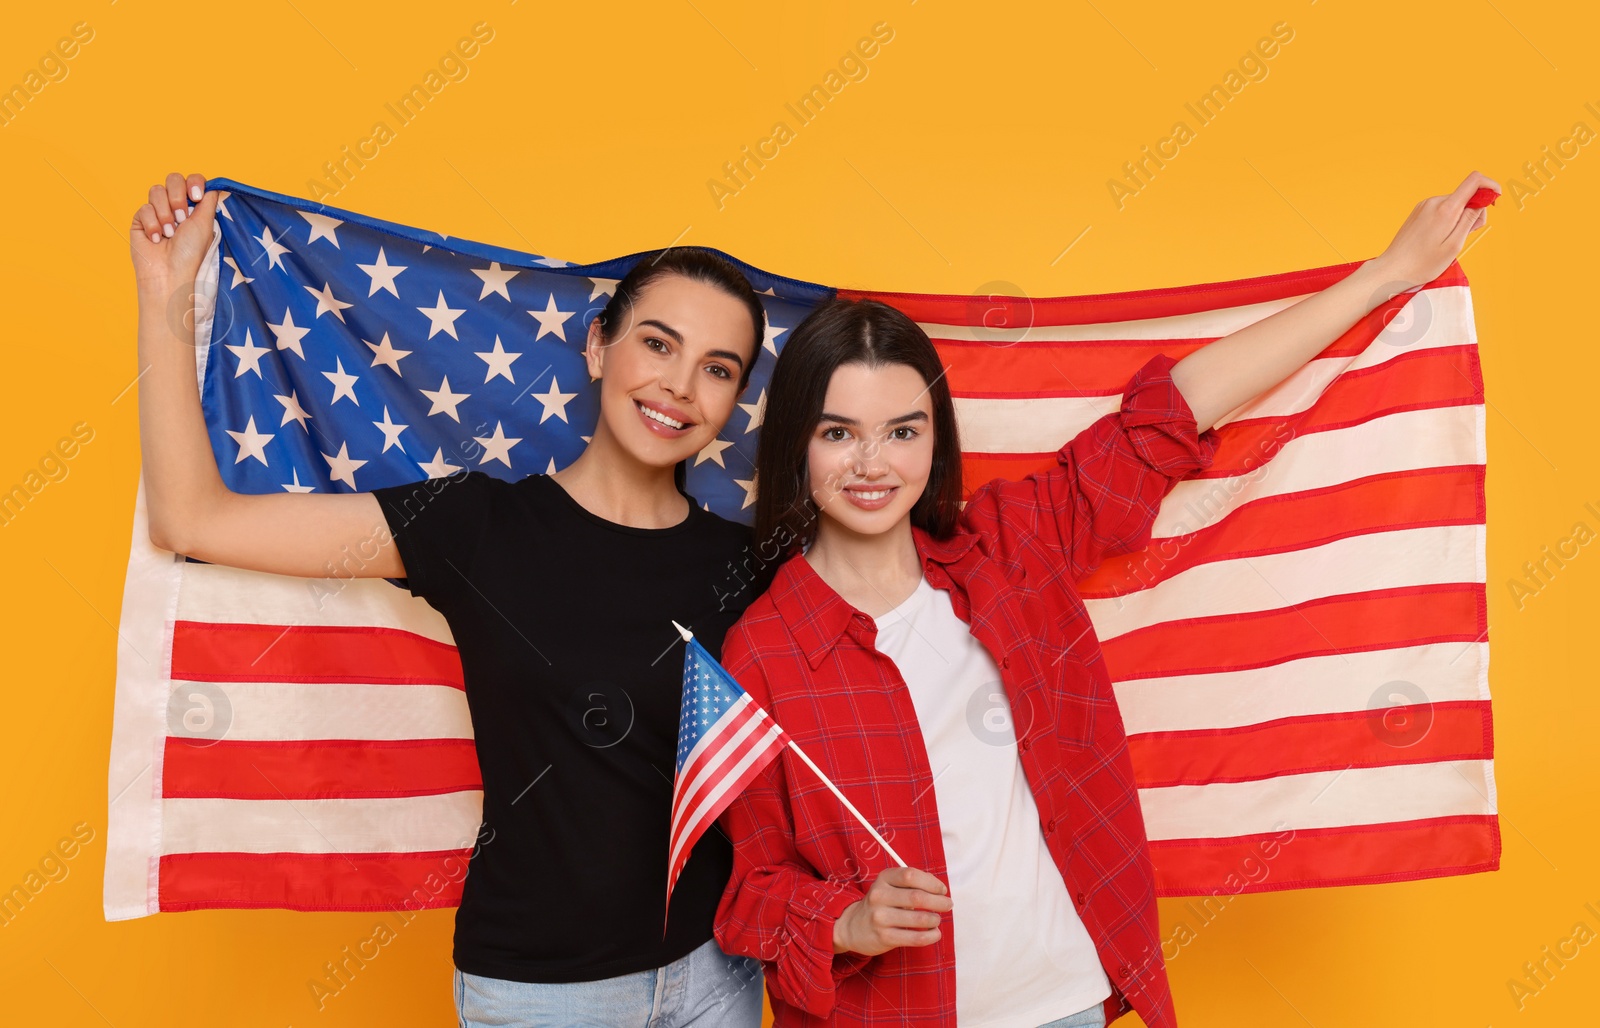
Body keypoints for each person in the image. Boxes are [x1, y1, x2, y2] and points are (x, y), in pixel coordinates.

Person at [710, 171, 1499, 1027]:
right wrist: (849, 922)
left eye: (903, 431)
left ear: (936, 441)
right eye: (839, 433)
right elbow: (752, 891)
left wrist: (1384, 275)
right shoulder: (765, 647)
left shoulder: (1010, 550)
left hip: (1068, 1005)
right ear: (796, 443)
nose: (873, 464)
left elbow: (1175, 412)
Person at [130, 171, 774, 1027]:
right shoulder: (476, 524)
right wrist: (166, 292)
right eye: (657, 344)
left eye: (717, 368)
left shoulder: (751, 565)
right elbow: (192, 518)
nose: (680, 386)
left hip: (714, 978)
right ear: (597, 346)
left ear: (734, 402)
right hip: (538, 994)